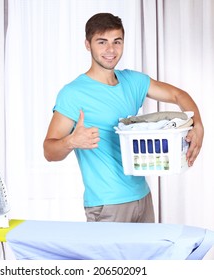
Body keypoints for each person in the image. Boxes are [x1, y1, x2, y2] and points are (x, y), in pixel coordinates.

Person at [43, 13, 204, 223]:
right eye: (102, 42)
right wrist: (71, 141)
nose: (110, 50)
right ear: (87, 44)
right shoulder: (73, 94)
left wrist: (198, 125)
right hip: (107, 203)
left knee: (149, 257)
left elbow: (178, 95)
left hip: (142, 197)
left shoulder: (133, 81)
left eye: (116, 42)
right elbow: (49, 151)